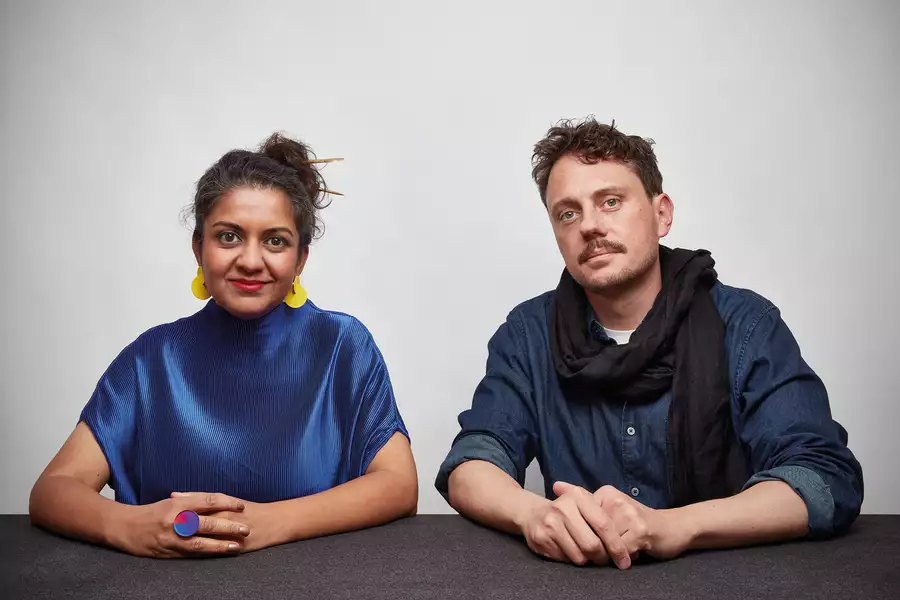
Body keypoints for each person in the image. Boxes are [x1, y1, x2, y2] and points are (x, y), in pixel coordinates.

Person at [435, 117, 863, 568]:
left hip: (730, 583)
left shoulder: (745, 325)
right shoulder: (527, 334)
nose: (590, 226)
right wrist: (535, 515)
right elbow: (473, 462)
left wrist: (674, 526)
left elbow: (823, 478)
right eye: (568, 213)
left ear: (662, 214)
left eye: (611, 202)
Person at [30, 133, 418, 558]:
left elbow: (399, 484)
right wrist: (128, 525)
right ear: (199, 249)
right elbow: (52, 491)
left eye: (275, 240)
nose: (251, 261)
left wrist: (271, 523)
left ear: (301, 259)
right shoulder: (153, 358)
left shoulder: (343, 347)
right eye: (229, 237)